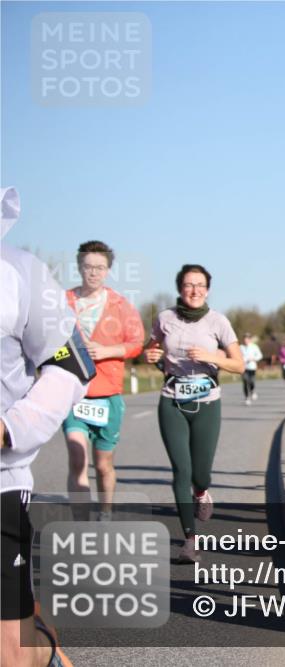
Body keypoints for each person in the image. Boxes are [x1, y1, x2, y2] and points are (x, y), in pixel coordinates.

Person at [2, 187, 94, 667]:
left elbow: (73, 364)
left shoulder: (18, 271)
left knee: (11, 657)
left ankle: (43, 650)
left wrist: (9, 429)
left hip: (0, 477)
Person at [144, 264, 244, 563]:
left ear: (208, 289)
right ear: (180, 288)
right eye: (189, 285)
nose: (195, 290)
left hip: (207, 402)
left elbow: (238, 364)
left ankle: (201, 492)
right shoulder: (165, 318)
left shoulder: (218, 322)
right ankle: (190, 540)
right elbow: (151, 350)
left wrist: (211, 357)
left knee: (201, 474)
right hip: (172, 399)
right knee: (181, 471)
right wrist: (150, 356)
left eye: (200, 285)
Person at [60, 240, 145, 521]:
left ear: (108, 270)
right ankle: (81, 524)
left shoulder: (121, 305)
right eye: (88, 266)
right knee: (77, 459)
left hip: (107, 394)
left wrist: (107, 351)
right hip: (73, 393)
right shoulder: (63, 302)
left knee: (103, 464)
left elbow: (136, 343)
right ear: (79, 267)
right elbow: (45, 340)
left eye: (99, 267)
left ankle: (105, 513)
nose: (93, 273)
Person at [239, 333, 263, 406]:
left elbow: (260, 355)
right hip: (244, 367)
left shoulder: (254, 346)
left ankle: (252, 391)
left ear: (249, 339)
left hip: (252, 367)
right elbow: (238, 356)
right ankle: (247, 398)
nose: (246, 340)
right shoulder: (240, 347)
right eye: (244, 339)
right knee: (245, 381)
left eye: (247, 339)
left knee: (251, 381)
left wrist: (254, 359)